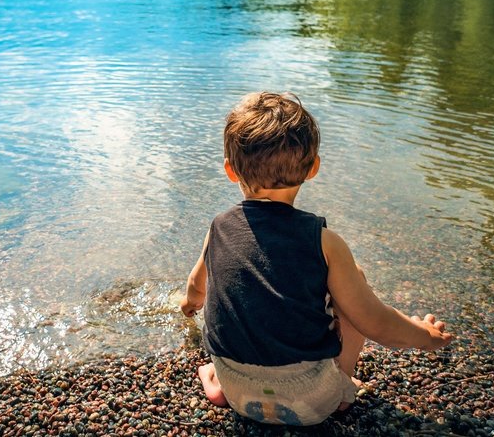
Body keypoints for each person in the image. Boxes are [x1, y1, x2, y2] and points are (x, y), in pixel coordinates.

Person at [180, 92, 453, 426]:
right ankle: (342, 388)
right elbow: (376, 323)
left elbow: (196, 287)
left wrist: (188, 305)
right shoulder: (325, 242)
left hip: (238, 394)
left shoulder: (218, 229)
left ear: (230, 171)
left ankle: (218, 383)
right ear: (313, 168)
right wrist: (425, 336)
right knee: (354, 280)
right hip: (311, 402)